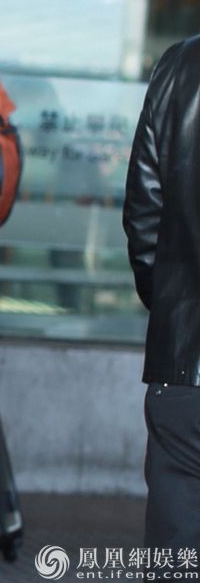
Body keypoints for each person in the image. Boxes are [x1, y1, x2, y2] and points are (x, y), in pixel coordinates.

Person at [124, 34, 200, 554]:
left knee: (177, 555)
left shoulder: (180, 64)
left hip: (184, 371)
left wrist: (177, 313)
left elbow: (144, 216)